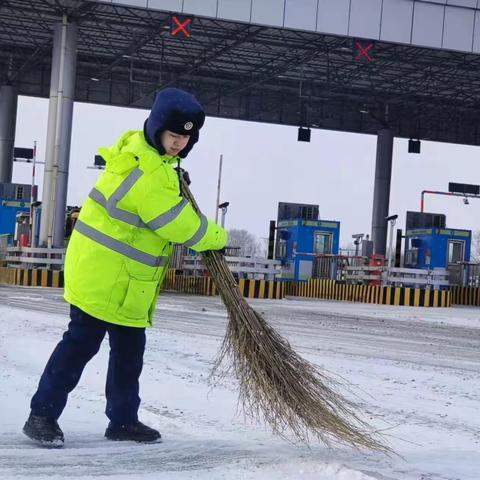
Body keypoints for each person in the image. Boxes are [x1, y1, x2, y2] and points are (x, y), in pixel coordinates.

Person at [23, 87, 228, 447]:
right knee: (79, 347)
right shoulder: (150, 172)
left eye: (186, 137)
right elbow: (178, 225)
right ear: (157, 128)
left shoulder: (146, 157)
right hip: (105, 279)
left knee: (129, 354)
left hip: (124, 283)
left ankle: (123, 421)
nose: (179, 143)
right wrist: (216, 237)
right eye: (174, 135)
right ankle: (41, 415)